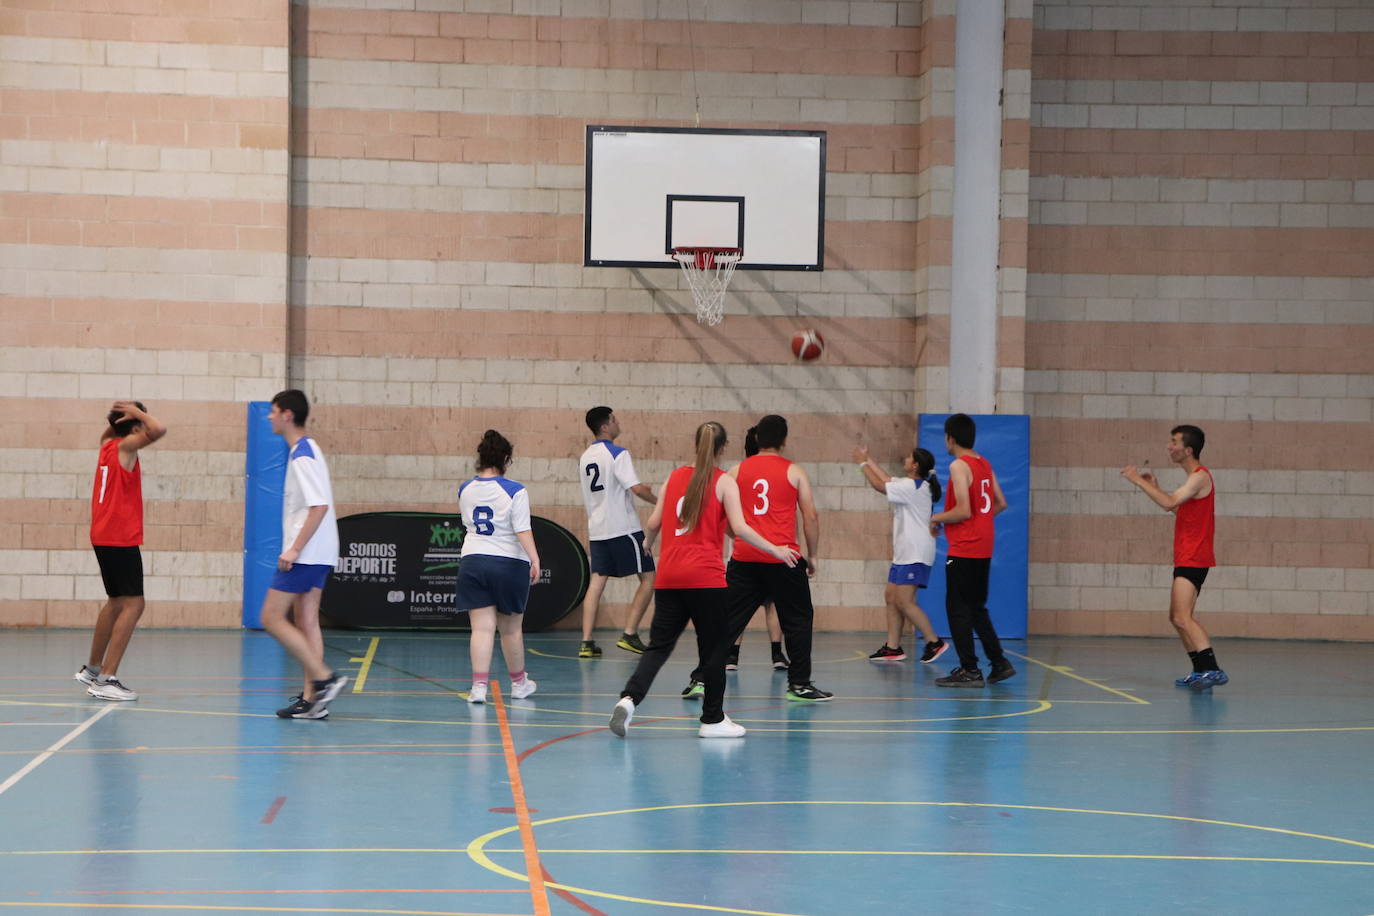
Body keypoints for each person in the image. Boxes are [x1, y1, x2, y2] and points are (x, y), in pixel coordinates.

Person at [609, 422, 799, 739]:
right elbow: (741, 528)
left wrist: (647, 544)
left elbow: (653, 522)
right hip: (705, 579)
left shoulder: (674, 477)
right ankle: (712, 719)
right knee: (714, 650)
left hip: (670, 577)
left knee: (658, 648)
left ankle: (629, 700)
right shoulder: (724, 482)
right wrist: (776, 549)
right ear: (722, 448)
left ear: (695, 444)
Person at [711, 415, 830, 702]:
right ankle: (799, 684)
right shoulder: (794, 472)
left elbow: (719, 514)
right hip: (784, 559)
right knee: (798, 620)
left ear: (757, 439)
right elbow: (810, 516)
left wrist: (738, 537)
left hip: (745, 558)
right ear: (784, 440)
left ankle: (701, 677)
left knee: (727, 621)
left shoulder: (736, 471)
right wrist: (812, 555)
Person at [259, 390, 348, 719]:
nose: (269, 416)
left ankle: (324, 678)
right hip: (319, 550)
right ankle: (313, 701)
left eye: (273, 411)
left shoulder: (303, 455)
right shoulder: (307, 449)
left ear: (287, 415)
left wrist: (295, 547)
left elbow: (319, 505)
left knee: (270, 617)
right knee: (307, 621)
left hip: (307, 552)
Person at [1121, 425, 1226, 689]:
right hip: (1186, 556)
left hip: (1194, 557)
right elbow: (1179, 510)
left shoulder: (1200, 477)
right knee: (1176, 617)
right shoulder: (1193, 480)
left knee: (1182, 617)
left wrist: (1138, 480)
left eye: (1174, 442)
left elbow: (1169, 503)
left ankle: (1213, 669)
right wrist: (1154, 487)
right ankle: (1200, 670)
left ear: (1188, 450)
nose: (1169, 446)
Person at [76, 401, 167, 701]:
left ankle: (92, 669)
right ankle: (106, 679)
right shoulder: (126, 448)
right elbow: (159, 429)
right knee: (135, 604)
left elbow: (116, 430)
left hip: (103, 534)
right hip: (119, 536)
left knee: (116, 601)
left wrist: (123, 418)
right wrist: (138, 414)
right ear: (135, 427)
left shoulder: (107, 445)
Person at [929, 413, 1016, 688]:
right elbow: (1001, 502)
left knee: (957, 609)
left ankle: (970, 669)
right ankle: (999, 662)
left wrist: (935, 518)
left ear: (950, 438)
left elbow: (963, 510)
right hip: (983, 545)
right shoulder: (984, 463)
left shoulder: (959, 465)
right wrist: (982, 523)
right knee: (976, 607)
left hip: (965, 547)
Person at [457, 429, 541, 704]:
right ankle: (518, 684)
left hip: (472, 560)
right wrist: (535, 558)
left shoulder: (464, 489)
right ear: (505, 459)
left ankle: (478, 688)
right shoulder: (515, 490)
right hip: (508, 562)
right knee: (511, 629)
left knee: (481, 629)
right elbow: (522, 529)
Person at [853, 444, 949, 664]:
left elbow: (880, 485)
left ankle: (934, 642)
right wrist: (868, 458)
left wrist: (861, 463)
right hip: (905, 553)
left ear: (915, 465)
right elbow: (886, 478)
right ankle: (892, 647)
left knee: (904, 601)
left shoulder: (911, 487)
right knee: (891, 596)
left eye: (908, 457)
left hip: (915, 553)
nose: (905, 459)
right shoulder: (912, 484)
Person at [576, 406, 657, 658]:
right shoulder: (617, 453)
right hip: (623, 528)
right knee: (649, 578)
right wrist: (659, 502)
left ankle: (586, 642)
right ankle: (629, 634)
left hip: (598, 530)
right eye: (614, 420)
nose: (617, 423)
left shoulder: (585, 457)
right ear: (605, 426)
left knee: (597, 582)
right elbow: (636, 489)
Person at [723, 426, 789, 673]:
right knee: (774, 604)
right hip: (774, 551)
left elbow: (725, 519)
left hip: (745, 553)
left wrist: (738, 536)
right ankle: (777, 654)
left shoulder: (736, 473)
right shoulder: (782, 471)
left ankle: (731, 655)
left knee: (738, 608)